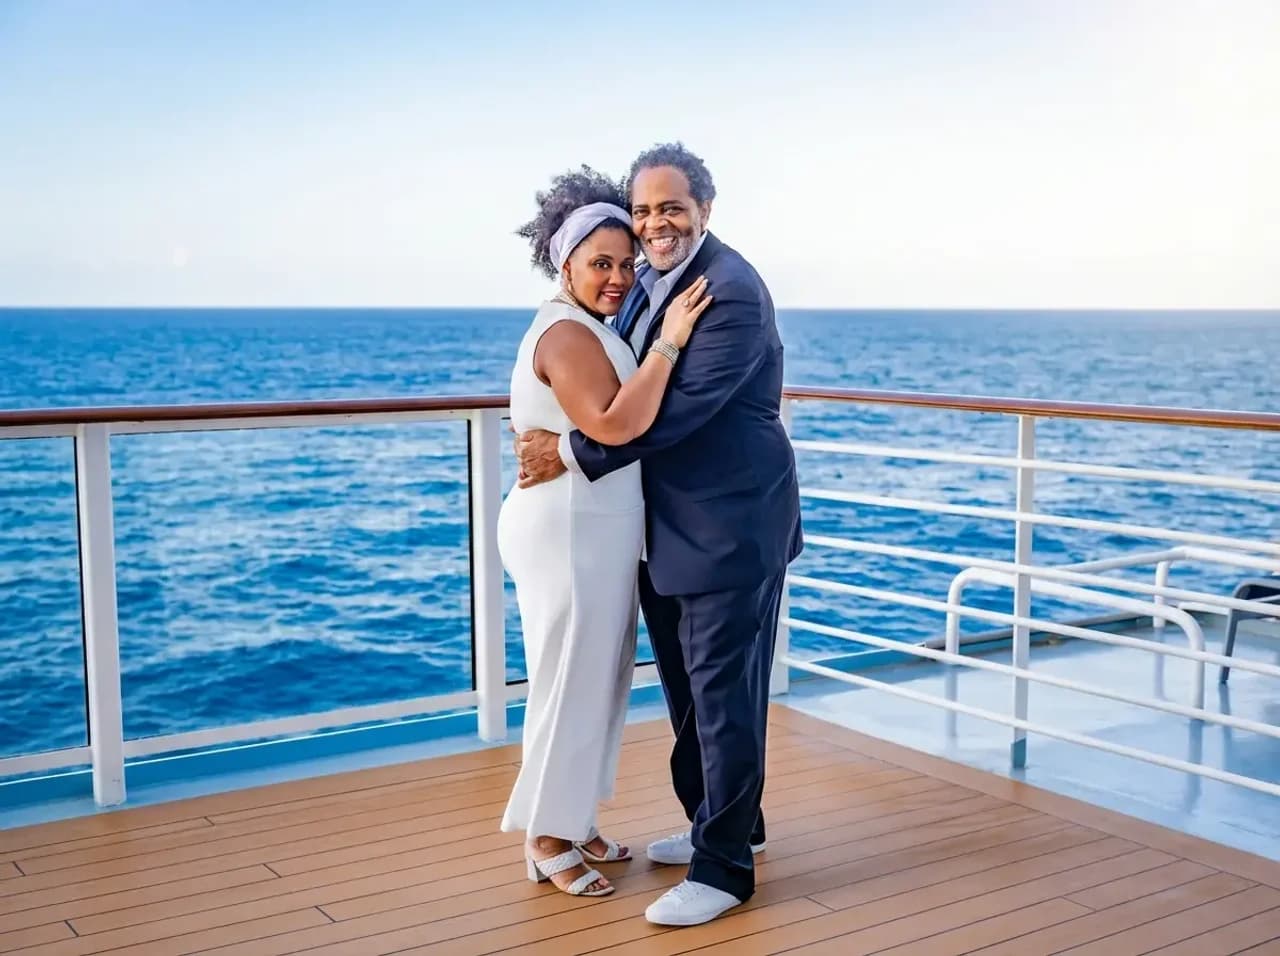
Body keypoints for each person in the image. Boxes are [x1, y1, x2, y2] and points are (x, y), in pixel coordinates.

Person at [515, 144, 803, 926]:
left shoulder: (730, 290)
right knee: (689, 696)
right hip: (666, 529)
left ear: (705, 209)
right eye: (643, 211)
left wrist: (571, 452)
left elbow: (678, 412)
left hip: (728, 525)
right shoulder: (647, 282)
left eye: (671, 207)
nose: (655, 224)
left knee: (723, 700)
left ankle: (724, 870)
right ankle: (730, 824)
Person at [498, 166, 712, 898]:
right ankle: (545, 836)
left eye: (625, 263)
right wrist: (670, 342)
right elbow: (616, 423)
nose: (618, 278)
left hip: (597, 529)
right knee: (568, 680)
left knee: (599, 677)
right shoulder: (564, 332)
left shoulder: (591, 325)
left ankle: (575, 816)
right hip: (565, 531)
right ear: (566, 264)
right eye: (600, 264)